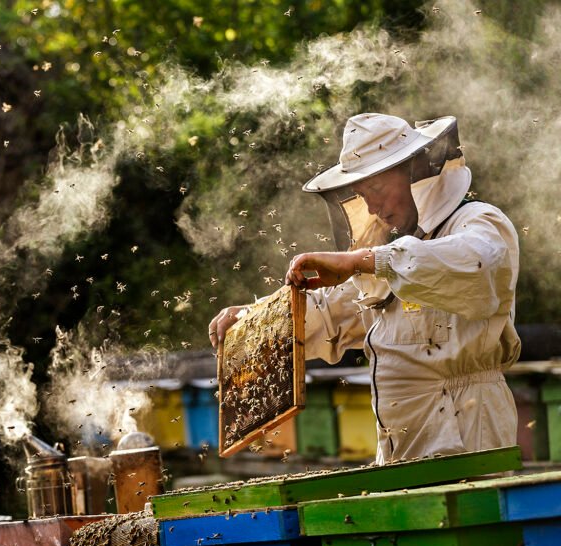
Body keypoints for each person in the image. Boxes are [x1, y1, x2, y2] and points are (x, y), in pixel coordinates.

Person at [208, 113, 520, 465]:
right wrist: (253, 322)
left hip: (468, 430)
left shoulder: (476, 221)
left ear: (415, 173)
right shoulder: (390, 251)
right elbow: (330, 312)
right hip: (399, 442)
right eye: (361, 195)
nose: (372, 208)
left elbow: (478, 265)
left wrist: (361, 260)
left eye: (376, 190)